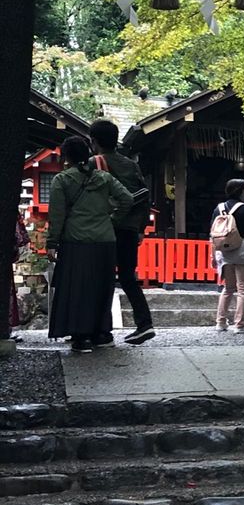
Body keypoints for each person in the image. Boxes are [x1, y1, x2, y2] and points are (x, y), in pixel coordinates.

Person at [46, 135, 135, 354]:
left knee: (78, 289)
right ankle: (102, 333)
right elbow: (127, 199)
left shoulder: (63, 180)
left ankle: (82, 336)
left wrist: (52, 242)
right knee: (102, 288)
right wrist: (111, 219)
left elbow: (57, 214)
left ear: (66, 156)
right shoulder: (104, 178)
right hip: (105, 241)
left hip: (77, 242)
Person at [88, 118, 155, 346]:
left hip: (103, 229)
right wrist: (140, 228)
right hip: (129, 228)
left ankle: (102, 331)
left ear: (93, 141)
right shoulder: (131, 165)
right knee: (128, 277)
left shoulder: (93, 163)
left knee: (101, 279)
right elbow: (144, 196)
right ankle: (144, 323)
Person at [210, 178, 244, 334]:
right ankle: (239, 324)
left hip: (224, 251)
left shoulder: (218, 209)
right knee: (243, 289)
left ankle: (221, 322)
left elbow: (212, 233)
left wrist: (213, 254)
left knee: (228, 288)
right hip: (243, 251)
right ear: (240, 191)